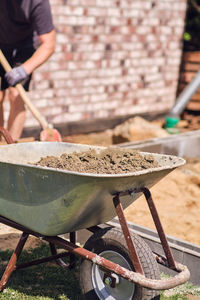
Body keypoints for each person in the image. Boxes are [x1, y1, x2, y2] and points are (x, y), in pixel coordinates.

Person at [0, 0, 55, 141]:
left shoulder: (38, 3)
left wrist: (24, 70)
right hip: (1, 42)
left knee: (16, 94)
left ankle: (11, 149)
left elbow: (49, 44)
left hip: (24, 46)